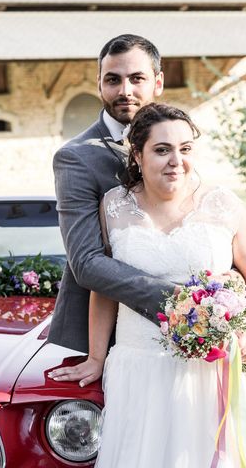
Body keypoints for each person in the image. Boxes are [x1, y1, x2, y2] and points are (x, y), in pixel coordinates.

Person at [53, 103, 246, 466]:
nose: (176, 160)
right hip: (137, 368)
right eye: (162, 150)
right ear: (138, 156)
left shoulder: (224, 204)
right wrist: (96, 357)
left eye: (185, 149)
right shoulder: (114, 205)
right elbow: (105, 286)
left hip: (207, 373)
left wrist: (242, 331)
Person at [48, 34, 176, 355]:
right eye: (113, 80)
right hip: (114, 338)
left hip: (194, 330)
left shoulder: (180, 141)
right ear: (99, 84)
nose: (125, 91)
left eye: (137, 79)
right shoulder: (75, 157)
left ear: (157, 82)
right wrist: (177, 300)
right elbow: (87, 263)